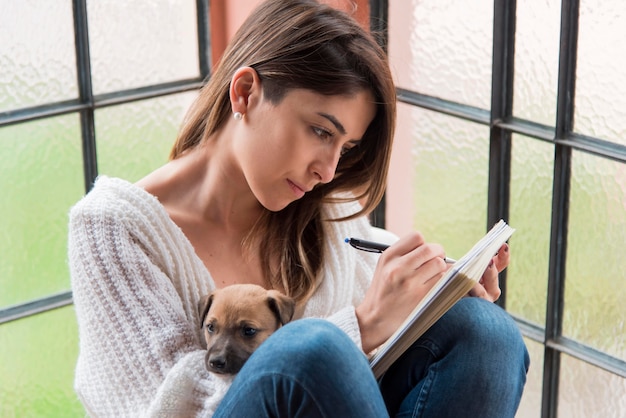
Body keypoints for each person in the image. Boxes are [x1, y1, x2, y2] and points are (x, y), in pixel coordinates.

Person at [68, 0, 529, 416]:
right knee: (309, 349)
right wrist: (363, 326)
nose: (328, 171)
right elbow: (164, 407)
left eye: (345, 147)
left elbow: (372, 340)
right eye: (321, 131)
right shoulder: (113, 230)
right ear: (245, 92)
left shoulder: (325, 214)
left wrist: (437, 293)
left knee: (483, 334)